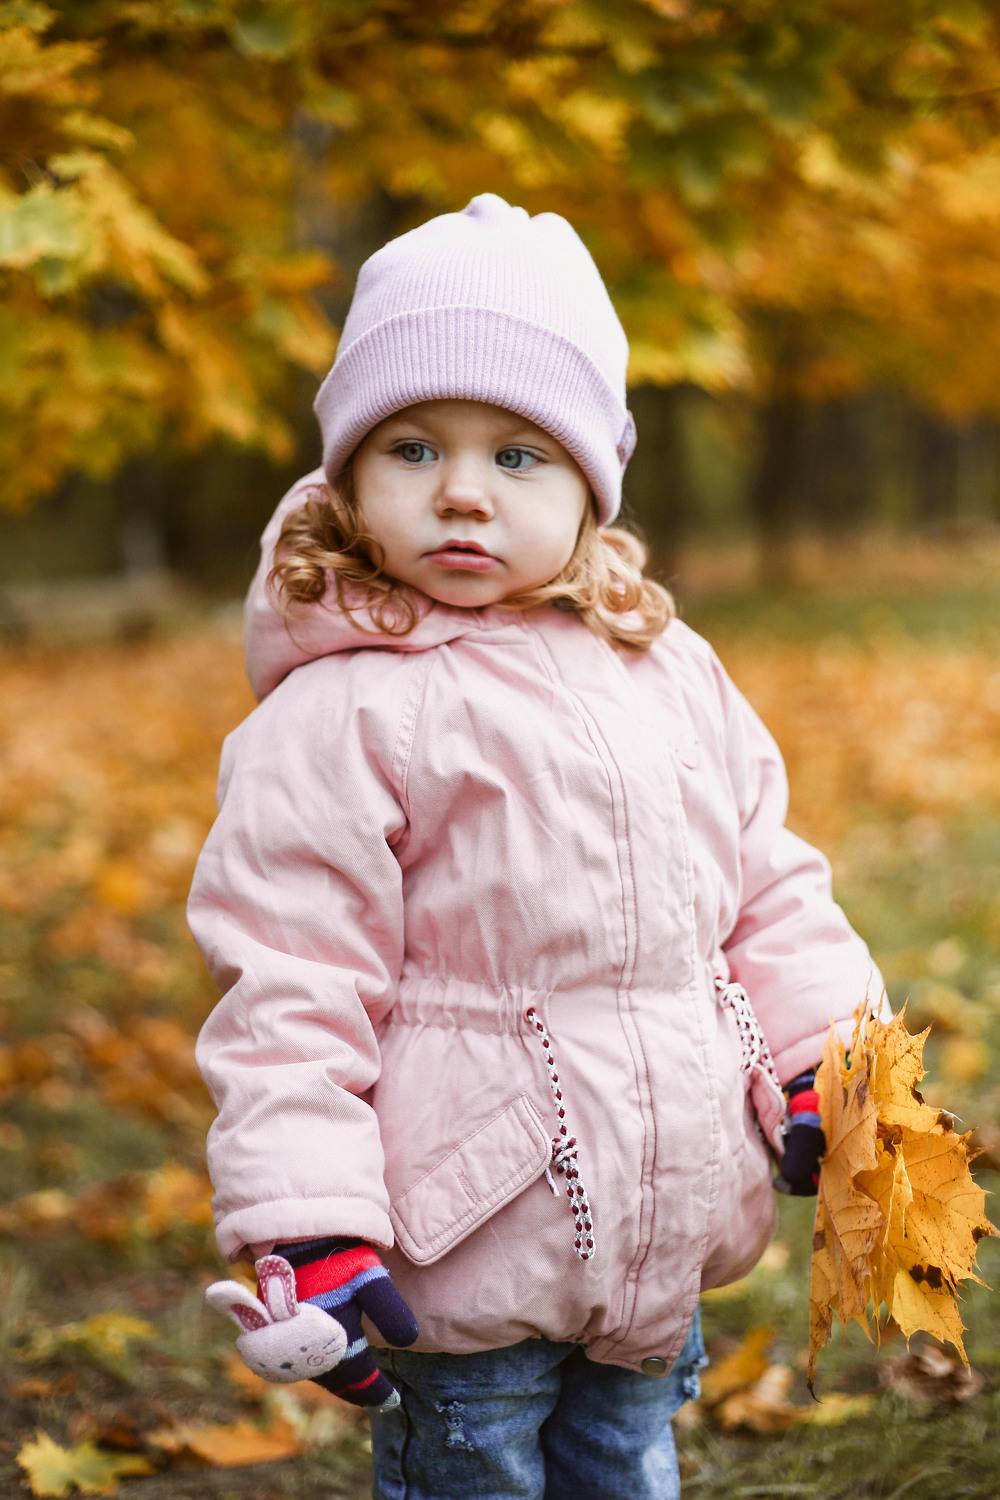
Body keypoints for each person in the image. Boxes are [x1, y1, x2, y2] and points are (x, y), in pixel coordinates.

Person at [188, 192, 884, 1500]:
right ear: (347, 477)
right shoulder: (340, 713)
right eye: (412, 448)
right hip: (462, 1239)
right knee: (480, 1476)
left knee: (627, 1464)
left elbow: (769, 886)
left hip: (666, 1209)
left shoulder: (666, 670)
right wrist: (309, 1217)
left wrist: (828, 1064)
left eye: (518, 455)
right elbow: (290, 982)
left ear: (590, 486)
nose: (462, 491)